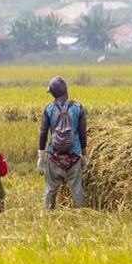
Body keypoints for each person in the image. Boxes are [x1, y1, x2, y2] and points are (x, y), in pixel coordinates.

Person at [37, 76, 89, 210]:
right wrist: (84, 154)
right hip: (74, 156)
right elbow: (82, 133)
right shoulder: (78, 108)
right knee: (77, 190)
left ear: (53, 93)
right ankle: (82, 215)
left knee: (50, 190)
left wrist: (41, 157)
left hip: (54, 157)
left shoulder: (49, 109)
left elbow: (43, 134)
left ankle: (47, 216)